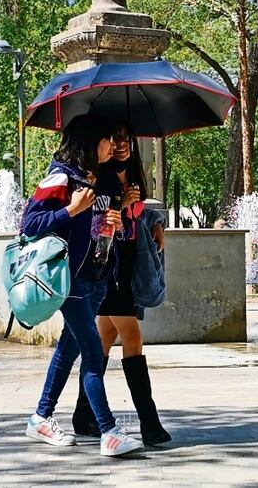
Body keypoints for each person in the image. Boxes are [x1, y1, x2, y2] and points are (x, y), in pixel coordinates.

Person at [21, 114, 144, 457]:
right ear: (90, 143)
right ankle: (109, 431)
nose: (113, 146)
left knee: (68, 349)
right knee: (92, 352)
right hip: (70, 279)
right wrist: (70, 211)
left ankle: (40, 417)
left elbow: (107, 230)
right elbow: (30, 225)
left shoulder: (103, 179)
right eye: (107, 139)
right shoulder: (60, 177)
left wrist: (118, 219)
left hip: (99, 276)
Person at [73, 124, 172, 446]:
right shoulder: (98, 179)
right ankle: (150, 423)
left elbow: (137, 218)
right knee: (132, 336)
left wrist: (152, 221)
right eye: (113, 138)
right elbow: (97, 228)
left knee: (105, 338)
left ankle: (83, 414)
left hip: (128, 267)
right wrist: (119, 209)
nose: (120, 144)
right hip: (106, 269)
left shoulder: (132, 177)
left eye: (126, 138)